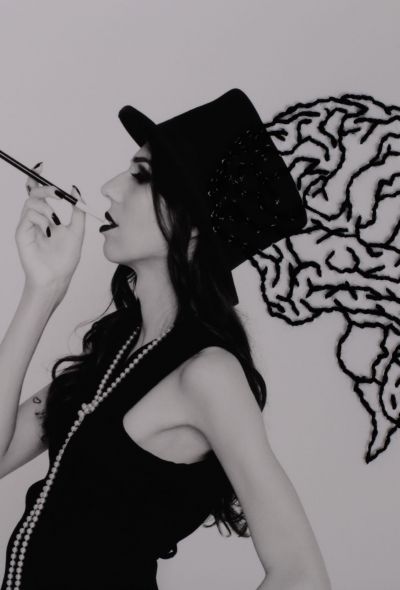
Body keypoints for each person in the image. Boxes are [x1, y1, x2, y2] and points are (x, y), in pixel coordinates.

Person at [0, 89, 331, 590]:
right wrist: (42, 291)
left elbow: (301, 575)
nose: (109, 188)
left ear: (193, 226)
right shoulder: (116, 348)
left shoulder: (209, 373)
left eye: (141, 176)